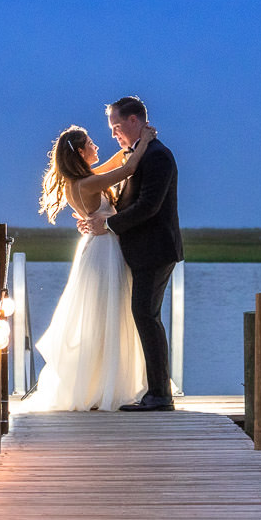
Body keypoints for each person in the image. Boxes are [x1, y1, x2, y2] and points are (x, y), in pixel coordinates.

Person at [21, 122, 157, 411]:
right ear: (82, 152)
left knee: (102, 314)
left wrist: (128, 145)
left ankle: (100, 382)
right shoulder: (87, 183)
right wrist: (144, 141)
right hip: (105, 252)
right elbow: (127, 170)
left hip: (98, 249)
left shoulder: (83, 180)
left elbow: (119, 160)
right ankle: (103, 384)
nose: (97, 146)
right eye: (92, 143)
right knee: (106, 314)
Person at [79, 96, 182, 412]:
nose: (113, 134)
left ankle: (160, 395)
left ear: (134, 121)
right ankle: (154, 391)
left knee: (146, 316)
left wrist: (107, 224)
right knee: (145, 316)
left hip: (155, 250)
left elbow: (149, 207)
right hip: (140, 251)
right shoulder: (138, 154)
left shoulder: (158, 157)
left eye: (116, 126)